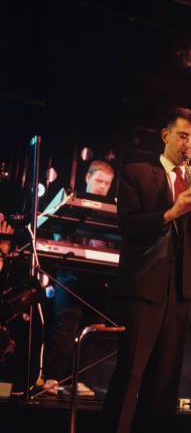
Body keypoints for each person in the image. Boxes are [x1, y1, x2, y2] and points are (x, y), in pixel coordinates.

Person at [86, 107, 191, 433]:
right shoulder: (138, 173)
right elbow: (130, 226)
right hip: (144, 288)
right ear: (165, 135)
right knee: (131, 379)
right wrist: (175, 210)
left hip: (181, 290)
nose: (189, 145)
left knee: (164, 385)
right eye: (183, 136)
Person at [42, 160, 115, 397]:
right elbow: (57, 231)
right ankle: (52, 377)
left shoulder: (112, 210)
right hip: (72, 273)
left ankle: (78, 379)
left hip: (99, 275)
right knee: (65, 325)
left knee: (90, 329)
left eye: (107, 183)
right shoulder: (71, 202)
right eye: (99, 181)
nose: (102, 187)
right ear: (87, 178)